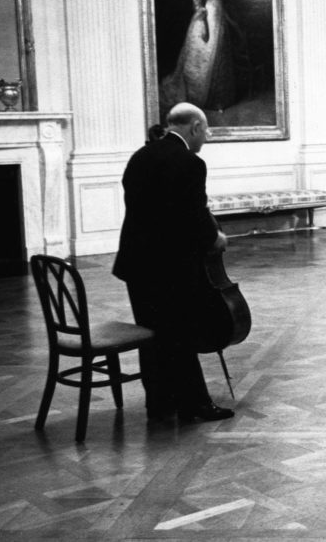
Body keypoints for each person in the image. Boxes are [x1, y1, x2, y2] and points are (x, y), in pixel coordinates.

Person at [113, 103, 234, 422]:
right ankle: (195, 404)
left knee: (153, 333)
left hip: (137, 263)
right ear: (194, 127)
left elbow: (144, 208)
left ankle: (161, 401)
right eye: (205, 131)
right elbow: (192, 213)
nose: (205, 137)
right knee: (181, 334)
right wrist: (215, 238)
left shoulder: (141, 155)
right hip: (170, 265)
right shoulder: (190, 163)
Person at [160, 0, 236, 114]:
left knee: (221, 58)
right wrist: (202, 22)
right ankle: (200, 98)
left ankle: (219, 99)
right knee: (204, 57)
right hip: (207, 16)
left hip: (220, 17)